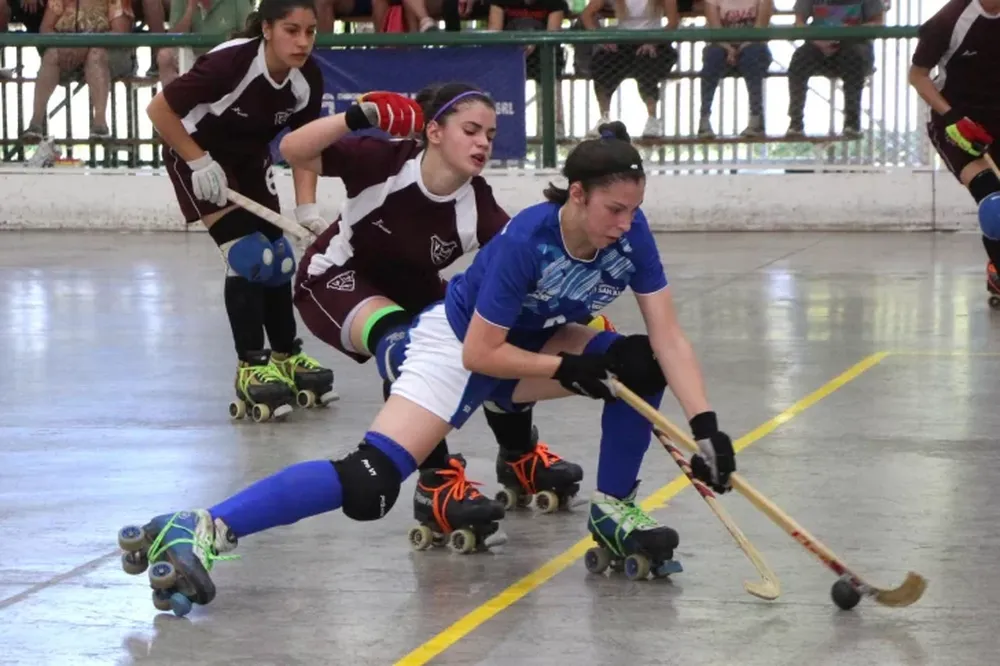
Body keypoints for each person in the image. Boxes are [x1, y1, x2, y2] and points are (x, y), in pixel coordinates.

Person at [115, 122, 737, 616]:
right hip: (456, 345)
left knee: (639, 363)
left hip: (529, 345)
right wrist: (567, 367)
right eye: (615, 210)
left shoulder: (631, 236)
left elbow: (670, 335)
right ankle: (200, 524)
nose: (626, 224)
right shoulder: (527, 240)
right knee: (370, 482)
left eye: (634, 211)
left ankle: (615, 511)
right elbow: (480, 355)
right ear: (577, 194)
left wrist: (705, 426)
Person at [277, 82, 588, 527]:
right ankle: (436, 483)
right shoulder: (383, 162)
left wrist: (575, 312)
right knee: (406, 350)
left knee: (502, 339)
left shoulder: (478, 205)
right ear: (435, 132)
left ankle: (519, 457)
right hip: (336, 279)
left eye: (491, 134)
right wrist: (355, 118)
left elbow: (525, 272)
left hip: (415, 293)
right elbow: (292, 150)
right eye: (471, 130)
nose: (483, 142)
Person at [147, 0, 336, 422]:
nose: (303, 41)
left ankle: (287, 356)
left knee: (280, 259)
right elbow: (160, 109)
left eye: (310, 31)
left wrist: (306, 207)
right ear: (267, 29)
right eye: (292, 30)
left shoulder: (308, 77)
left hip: (250, 160)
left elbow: (305, 145)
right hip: (196, 152)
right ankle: (251, 364)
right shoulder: (231, 63)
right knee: (249, 256)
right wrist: (197, 159)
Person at [909, 0, 1000, 303]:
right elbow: (918, 76)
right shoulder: (950, 19)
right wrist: (952, 118)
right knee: (994, 203)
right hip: (957, 121)